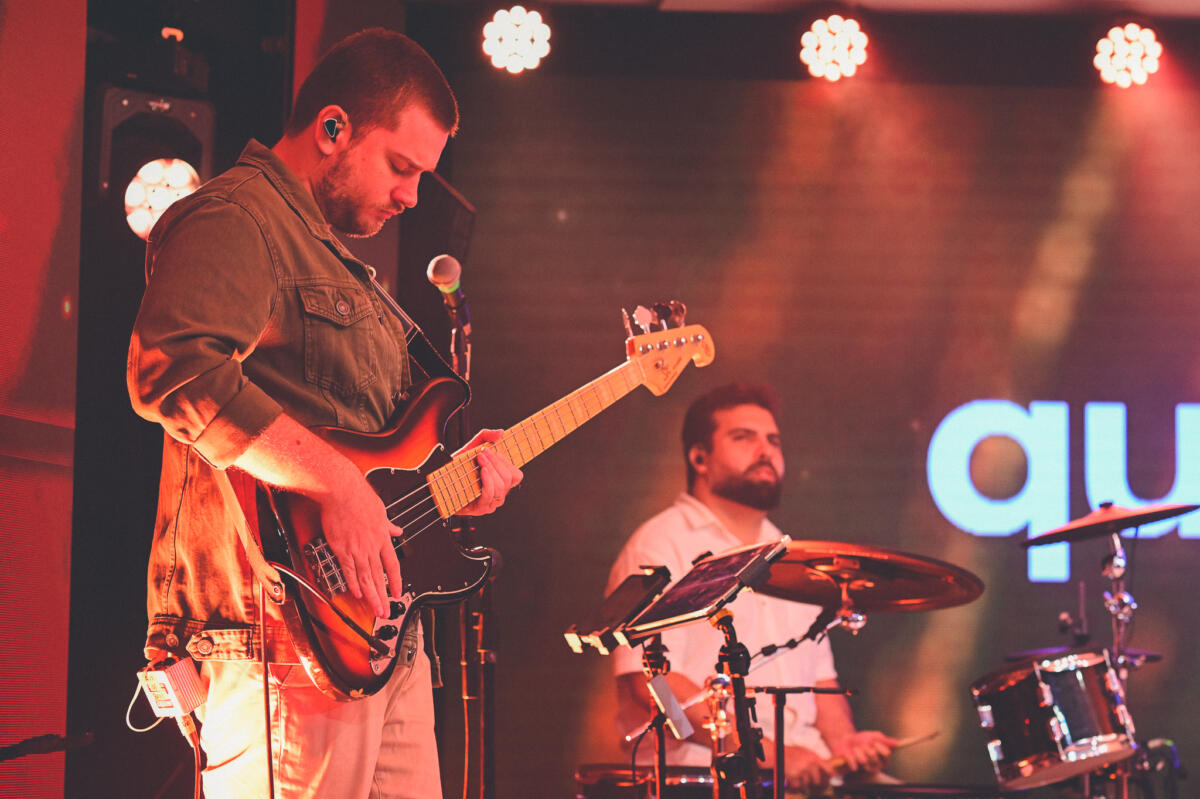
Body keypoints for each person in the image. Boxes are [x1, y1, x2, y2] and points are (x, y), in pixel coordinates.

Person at [127, 29, 521, 799]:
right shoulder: (235, 216)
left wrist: (447, 484)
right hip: (276, 634)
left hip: (381, 638)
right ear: (333, 128)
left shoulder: (342, 265)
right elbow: (172, 368)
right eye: (401, 166)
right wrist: (335, 482)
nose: (411, 195)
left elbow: (370, 457)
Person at [606, 383, 895, 795]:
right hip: (702, 783)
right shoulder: (658, 545)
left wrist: (844, 743)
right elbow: (651, 685)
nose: (765, 451)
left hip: (803, 780)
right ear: (699, 458)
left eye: (773, 440)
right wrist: (767, 754)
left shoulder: (791, 556)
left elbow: (823, 683)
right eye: (743, 437)